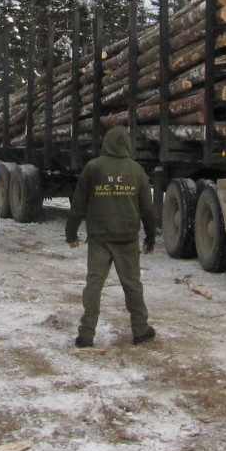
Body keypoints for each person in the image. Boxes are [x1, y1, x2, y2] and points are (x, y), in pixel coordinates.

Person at [65, 126, 157, 348]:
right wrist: (150, 237)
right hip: (127, 239)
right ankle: (141, 330)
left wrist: (71, 233)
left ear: (106, 143)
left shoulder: (93, 167)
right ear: (127, 145)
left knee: (93, 285)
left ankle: (86, 335)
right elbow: (147, 208)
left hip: (99, 239)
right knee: (132, 285)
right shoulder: (136, 170)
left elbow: (78, 204)